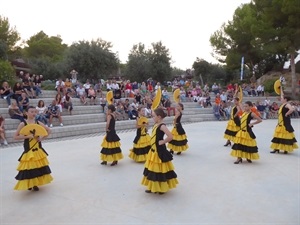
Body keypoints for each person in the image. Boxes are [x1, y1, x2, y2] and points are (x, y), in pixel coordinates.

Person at [13, 106, 53, 191]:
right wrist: (27, 136)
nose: (34, 113)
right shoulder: (23, 124)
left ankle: (35, 184)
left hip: (38, 149)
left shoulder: (38, 123)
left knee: (38, 167)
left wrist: (41, 138)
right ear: (26, 113)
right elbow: (15, 137)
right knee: (29, 168)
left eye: (35, 112)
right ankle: (29, 184)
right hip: (29, 150)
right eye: (31, 111)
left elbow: (49, 130)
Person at [141, 108, 178, 194]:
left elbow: (170, 136)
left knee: (160, 170)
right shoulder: (156, 124)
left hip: (159, 151)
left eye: (153, 116)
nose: (152, 118)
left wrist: (163, 141)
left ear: (159, 117)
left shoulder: (162, 126)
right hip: (153, 151)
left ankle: (161, 187)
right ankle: (152, 186)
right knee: (152, 170)